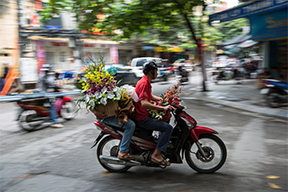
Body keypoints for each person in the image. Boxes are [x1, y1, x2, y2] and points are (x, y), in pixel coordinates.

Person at [134, 61, 175, 166]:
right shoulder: (144, 83)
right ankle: (156, 154)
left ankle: (159, 144)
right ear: (150, 72)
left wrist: (163, 99)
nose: (157, 73)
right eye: (156, 71)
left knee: (166, 118)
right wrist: (162, 107)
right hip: (142, 118)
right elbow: (144, 103)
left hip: (144, 114)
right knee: (168, 128)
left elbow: (149, 96)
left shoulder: (145, 82)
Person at [39, 64, 64, 128]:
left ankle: (49, 117)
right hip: (44, 94)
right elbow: (50, 83)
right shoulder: (44, 76)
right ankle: (54, 122)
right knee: (53, 106)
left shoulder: (41, 75)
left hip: (41, 92)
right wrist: (57, 86)